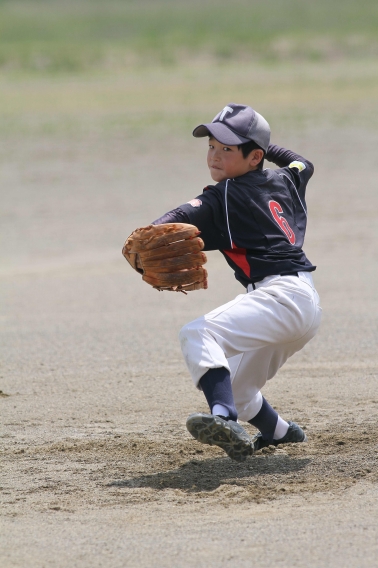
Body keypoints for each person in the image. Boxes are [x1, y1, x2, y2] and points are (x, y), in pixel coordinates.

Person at [152, 103, 322, 462]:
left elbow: (180, 216)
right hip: (304, 304)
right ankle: (279, 432)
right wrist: (261, 147)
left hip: (279, 297)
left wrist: (151, 231)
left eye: (227, 149)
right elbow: (302, 162)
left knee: (198, 333)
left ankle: (223, 418)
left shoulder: (223, 195)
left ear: (253, 156)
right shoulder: (287, 179)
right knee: (241, 389)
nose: (214, 155)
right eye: (211, 145)